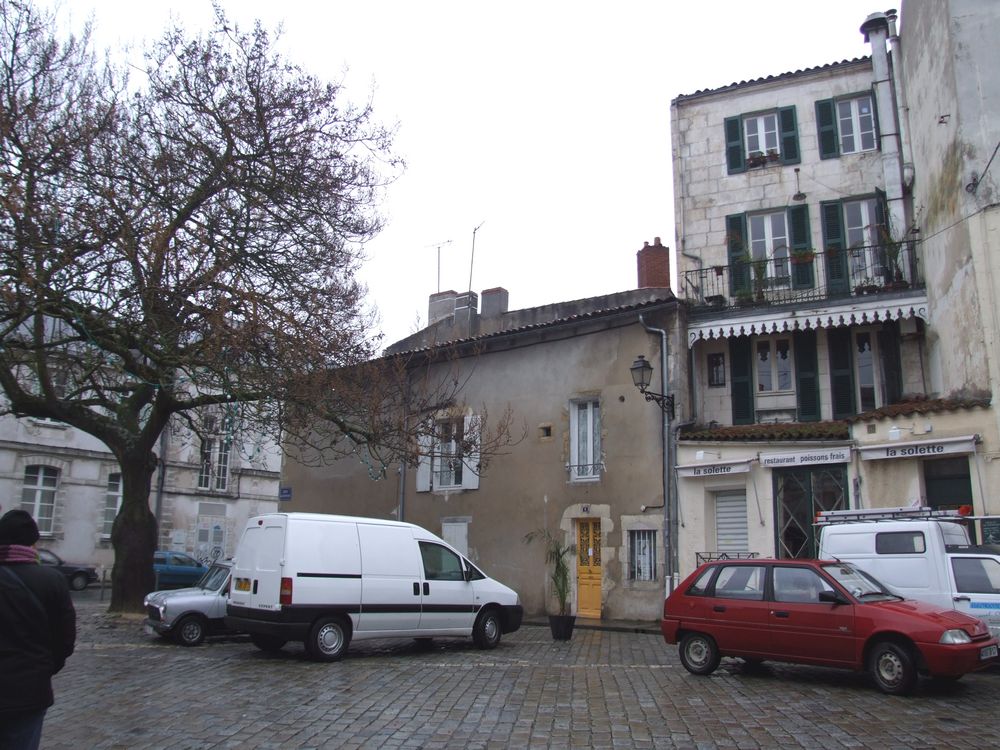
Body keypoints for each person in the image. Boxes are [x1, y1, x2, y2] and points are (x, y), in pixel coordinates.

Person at [0, 510, 77, 750]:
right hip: (29, 690)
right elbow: (65, 642)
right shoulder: (52, 580)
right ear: (34, 543)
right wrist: (42, 669)